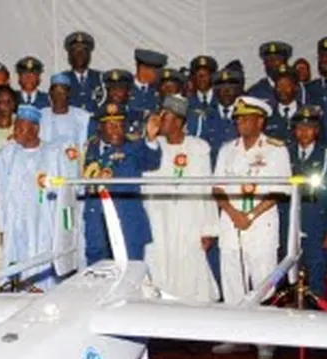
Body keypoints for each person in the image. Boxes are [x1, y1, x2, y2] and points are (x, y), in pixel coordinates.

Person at [212, 97, 293, 359]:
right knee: (232, 281)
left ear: (260, 121)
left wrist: (251, 214)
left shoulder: (276, 149)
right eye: (238, 118)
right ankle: (235, 336)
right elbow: (217, 187)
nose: (241, 123)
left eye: (246, 118)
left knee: (263, 282)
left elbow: (280, 190)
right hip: (231, 223)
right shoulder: (227, 149)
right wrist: (233, 213)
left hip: (261, 225)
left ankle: (265, 340)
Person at [140, 95, 219, 303]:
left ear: (179, 122)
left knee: (189, 269)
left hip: (189, 219)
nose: (160, 121)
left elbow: (206, 188)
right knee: (159, 266)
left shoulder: (199, 147)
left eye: (165, 117)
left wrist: (209, 229)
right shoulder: (152, 146)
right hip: (158, 219)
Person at [0, 105, 71, 290]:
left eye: (21, 128)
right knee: (13, 263)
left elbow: (64, 191)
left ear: (35, 129)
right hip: (14, 222)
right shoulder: (7, 154)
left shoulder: (53, 154)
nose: (16, 132)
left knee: (40, 261)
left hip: (43, 222)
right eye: (15, 127)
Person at [81, 102, 162, 264]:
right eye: (109, 125)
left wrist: (151, 138)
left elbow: (151, 161)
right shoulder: (90, 148)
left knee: (129, 274)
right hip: (97, 225)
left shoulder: (135, 147)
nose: (115, 129)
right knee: (98, 273)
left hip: (128, 225)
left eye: (119, 124)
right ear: (100, 127)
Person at [281, 105, 327, 301]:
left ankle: (318, 316)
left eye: (309, 128)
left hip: (316, 223)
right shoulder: (285, 154)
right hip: (289, 224)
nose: (304, 132)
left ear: (317, 130)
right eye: (299, 128)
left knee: (317, 278)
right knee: (287, 276)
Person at [40, 74, 90, 150]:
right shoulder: (41, 115)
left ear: (69, 93)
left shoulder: (82, 116)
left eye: (62, 93)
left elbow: (83, 145)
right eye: (55, 93)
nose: (58, 97)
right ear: (50, 93)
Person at [61, 31, 101, 112]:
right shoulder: (61, 79)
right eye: (75, 51)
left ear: (89, 55)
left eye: (84, 51)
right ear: (69, 55)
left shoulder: (100, 78)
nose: (79, 55)